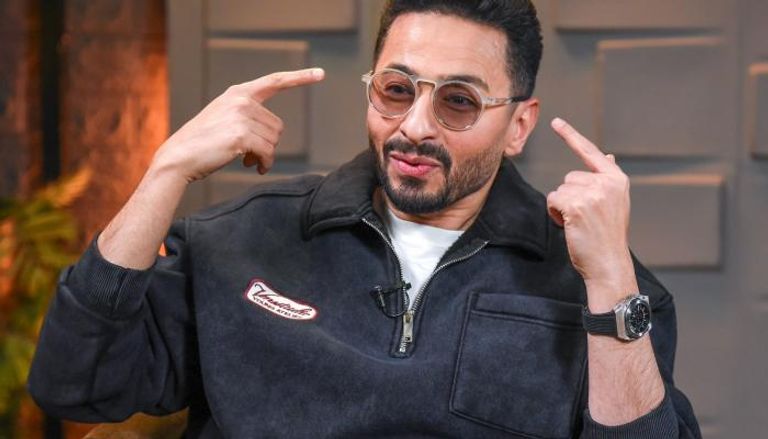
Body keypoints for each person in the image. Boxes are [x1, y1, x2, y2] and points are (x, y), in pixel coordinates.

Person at [28, 1, 701, 437]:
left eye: (458, 101)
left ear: (518, 125)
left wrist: (610, 281)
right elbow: (74, 385)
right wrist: (164, 172)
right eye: (396, 90)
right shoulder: (240, 238)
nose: (414, 127)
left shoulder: (596, 284)